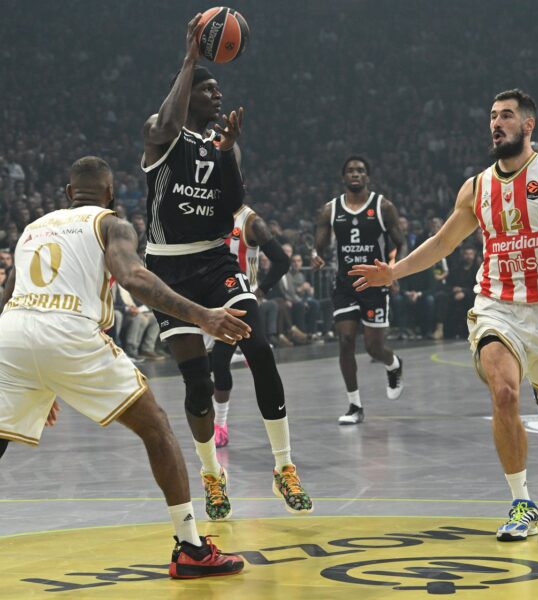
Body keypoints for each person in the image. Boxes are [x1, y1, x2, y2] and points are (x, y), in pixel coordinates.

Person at [350, 88, 538, 541]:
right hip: (496, 307)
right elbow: (444, 242)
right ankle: (521, 502)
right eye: (492, 116)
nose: (496, 123)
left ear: (528, 125)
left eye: (506, 116)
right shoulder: (477, 187)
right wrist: (394, 273)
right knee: (503, 393)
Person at [0, 156, 249, 577]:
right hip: (68, 332)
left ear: (68, 193)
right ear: (110, 194)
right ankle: (191, 548)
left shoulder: (32, 228)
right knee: (156, 427)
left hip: (12, 334)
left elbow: (8, 296)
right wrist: (202, 315)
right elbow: (134, 277)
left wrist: (34, 377)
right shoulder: (111, 224)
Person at [141, 14, 312, 519]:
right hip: (169, 270)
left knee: (259, 350)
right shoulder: (160, 134)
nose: (218, 95)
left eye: (218, 89)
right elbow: (166, 123)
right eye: (208, 89)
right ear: (187, 93)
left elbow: (234, 203)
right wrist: (191, 57)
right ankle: (212, 476)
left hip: (215, 260)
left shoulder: (218, 147)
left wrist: (230, 150)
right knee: (197, 385)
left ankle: (284, 466)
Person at [313, 156, 406, 425]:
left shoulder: (383, 207)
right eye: (351, 170)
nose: (356, 174)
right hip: (345, 285)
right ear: (344, 177)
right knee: (345, 341)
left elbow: (399, 243)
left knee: (374, 348)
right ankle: (355, 406)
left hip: (374, 285)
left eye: (361, 170)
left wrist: (394, 270)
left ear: (368, 177)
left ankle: (393, 364)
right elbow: (320, 245)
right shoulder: (330, 210)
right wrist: (316, 255)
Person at [210, 204, 290, 448]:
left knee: (223, 361)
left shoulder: (251, 222)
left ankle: (220, 425)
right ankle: (218, 422)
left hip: (241, 301)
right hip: (211, 300)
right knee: (212, 366)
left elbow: (282, 261)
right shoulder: (206, 213)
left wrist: (261, 291)